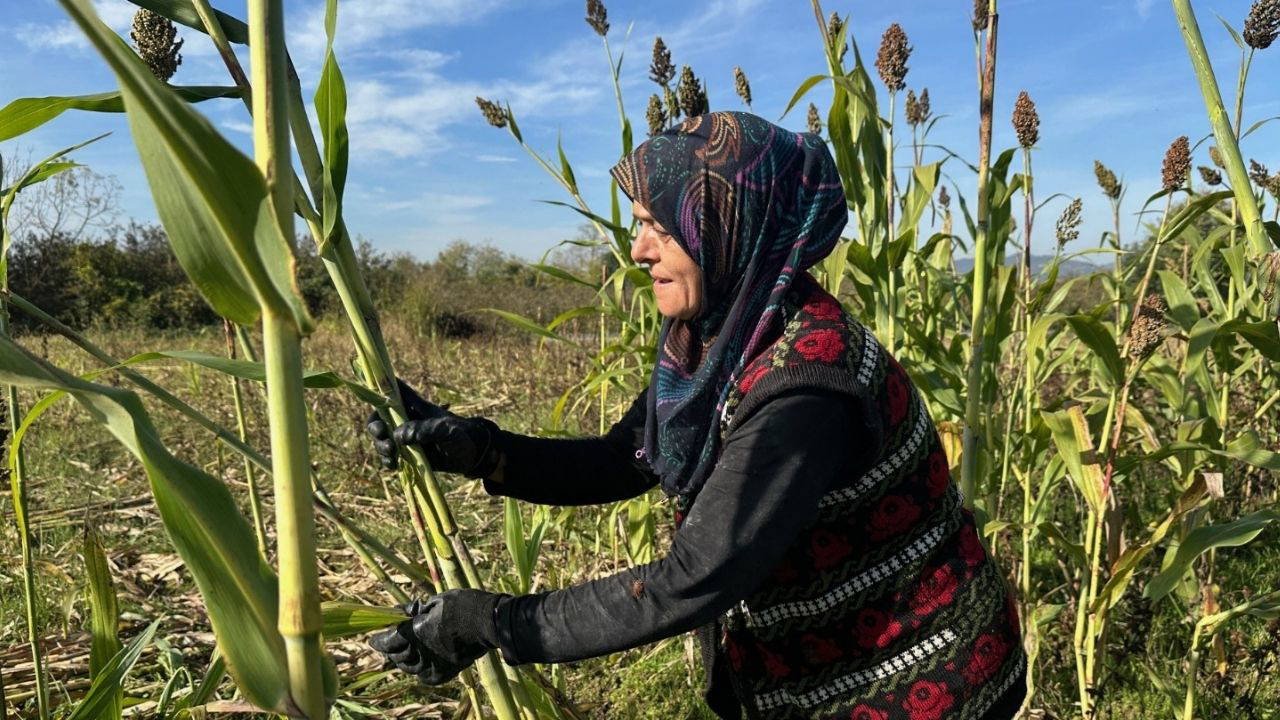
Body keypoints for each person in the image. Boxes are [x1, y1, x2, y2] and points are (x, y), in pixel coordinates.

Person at [365, 111, 1026, 720]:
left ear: (725, 223)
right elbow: (627, 455)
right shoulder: (723, 337)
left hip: (919, 681)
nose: (637, 250)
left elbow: (691, 580)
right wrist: (480, 449)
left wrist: (488, 623)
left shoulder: (807, 386)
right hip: (814, 671)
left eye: (658, 223)